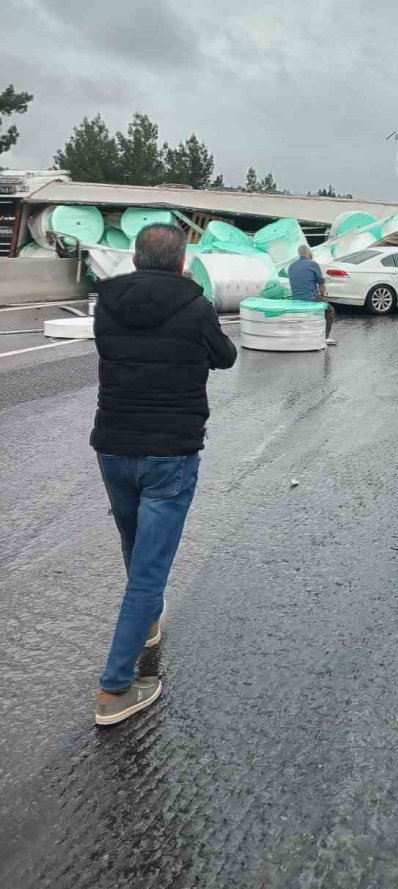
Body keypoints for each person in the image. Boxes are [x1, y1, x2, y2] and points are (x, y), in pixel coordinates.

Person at [91, 224, 237, 726]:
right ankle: (114, 690)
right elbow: (226, 356)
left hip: (112, 447)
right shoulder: (195, 307)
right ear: (181, 263)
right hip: (169, 453)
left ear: (134, 261)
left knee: (136, 548)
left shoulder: (105, 305)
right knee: (149, 569)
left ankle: (148, 620)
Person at [287, 244, 336, 344]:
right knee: (330, 310)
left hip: (295, 299)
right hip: (310, 298)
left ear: (299, 254)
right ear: (309, 253)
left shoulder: (291, 266)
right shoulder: (313, 264)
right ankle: (325, 337)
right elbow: (321, 284)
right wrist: (323, 297)